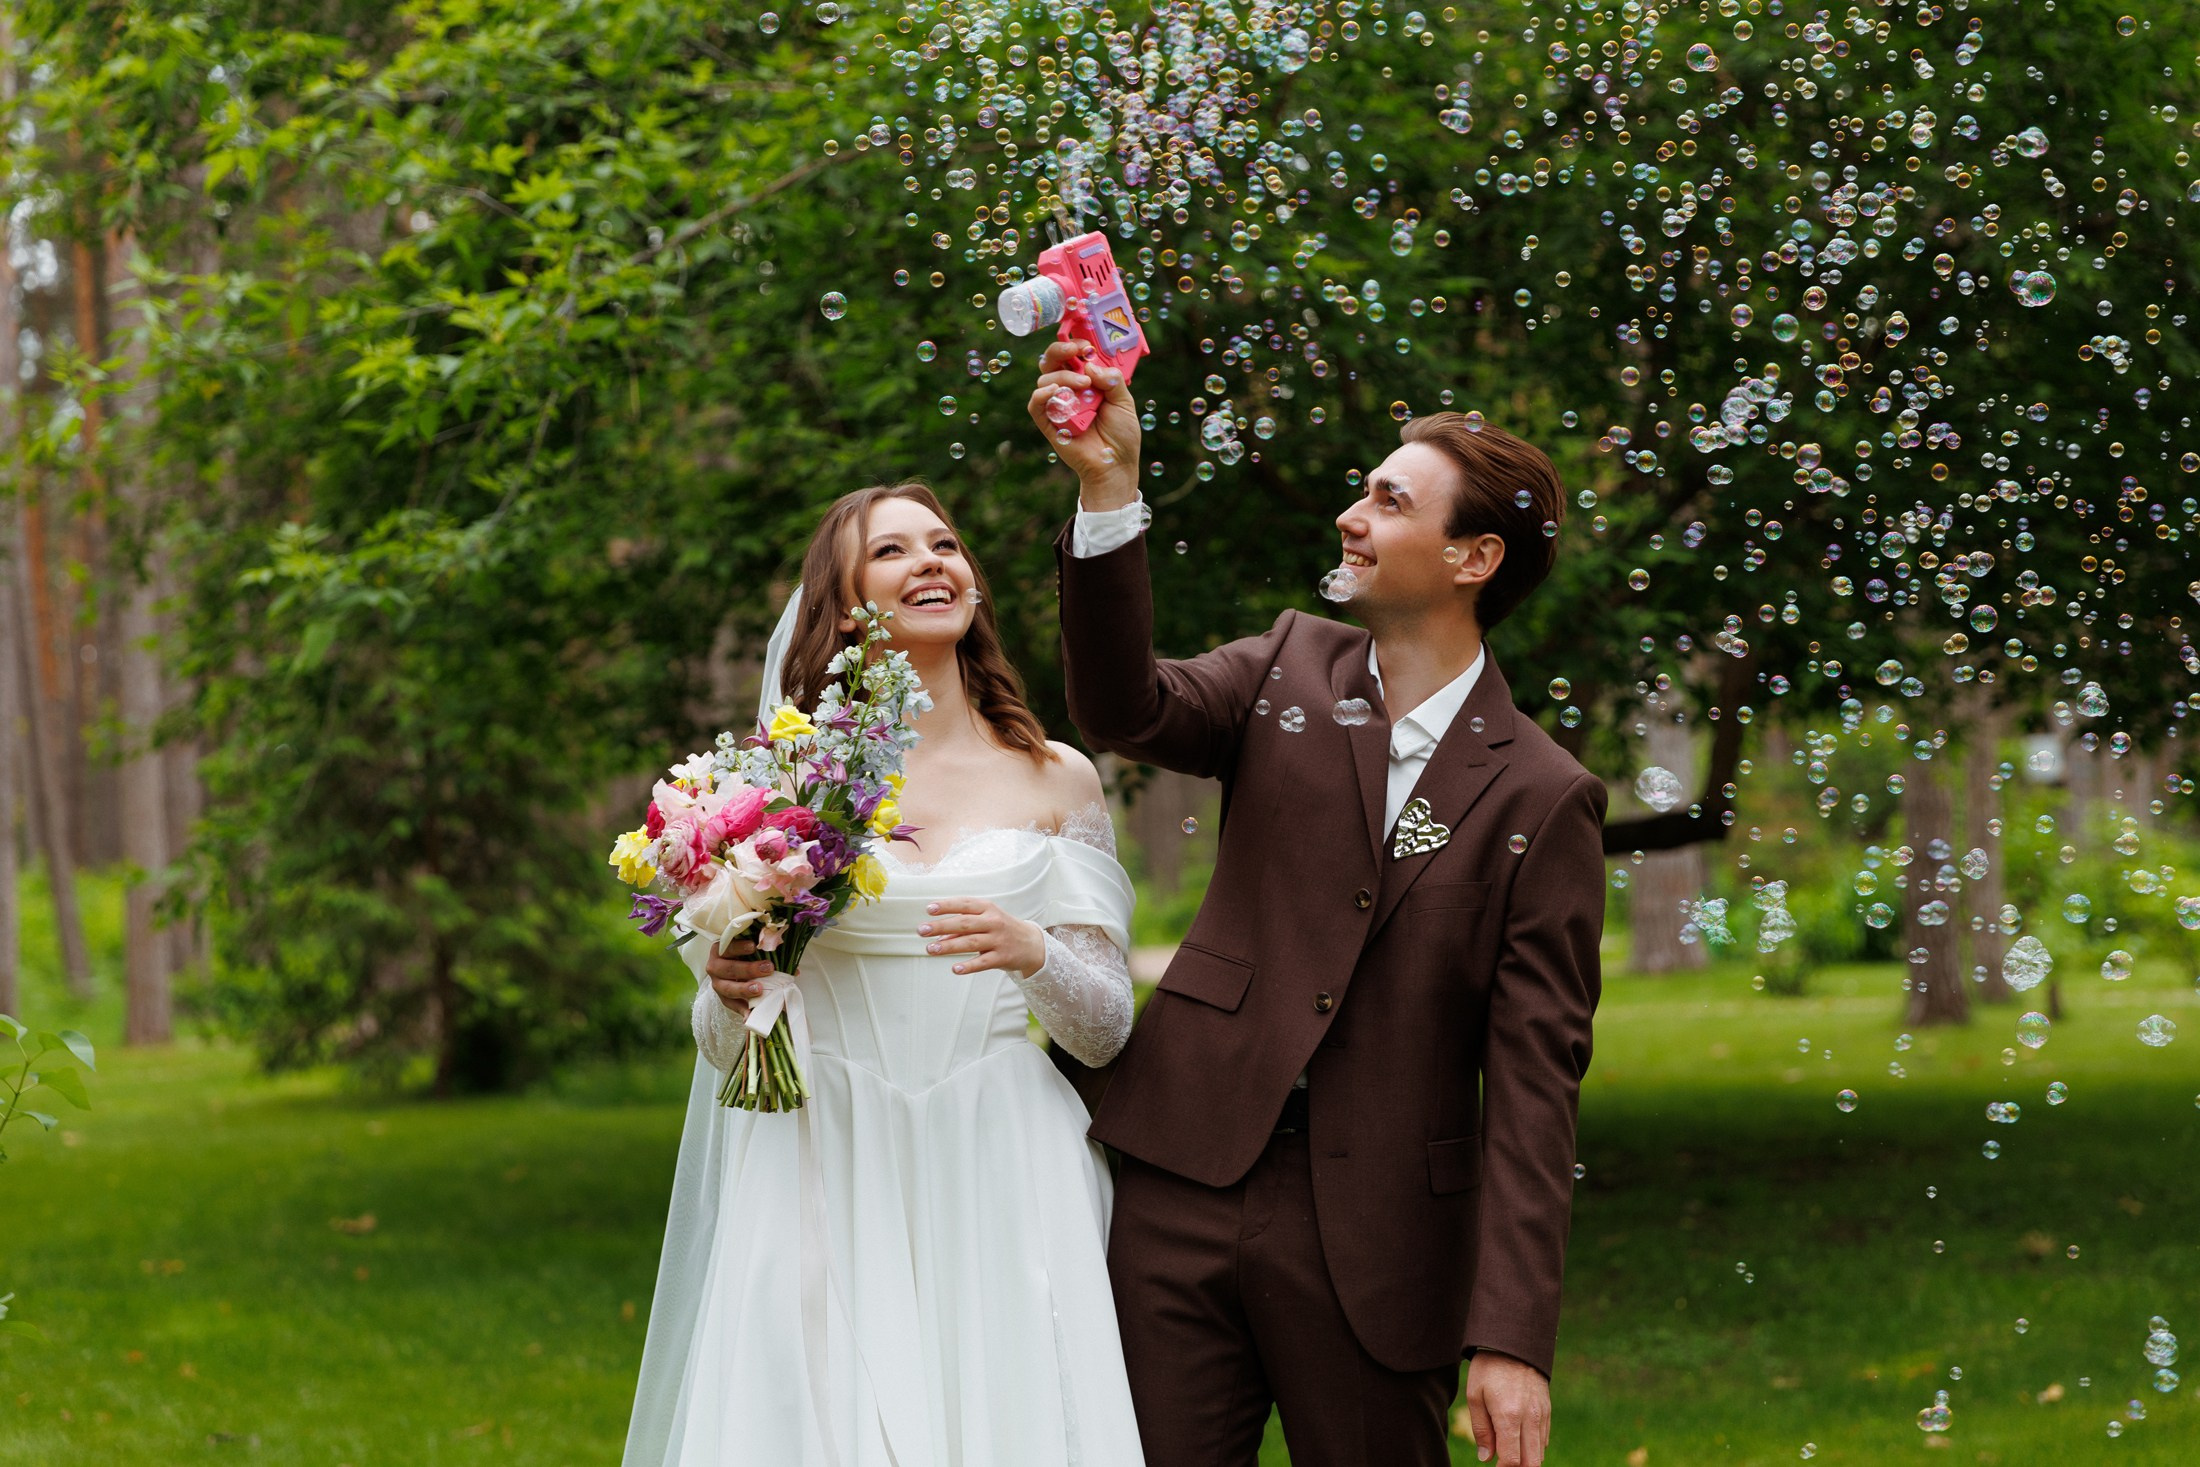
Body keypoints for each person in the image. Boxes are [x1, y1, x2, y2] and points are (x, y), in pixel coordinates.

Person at [1029, 343, 1606, 1467]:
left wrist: (1511, 1339)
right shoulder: (1285, 667)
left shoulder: (1544, 796)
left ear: (1472, 556)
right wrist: (1107, 491)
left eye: (1389, 500)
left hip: (1383, 1240)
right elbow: (1122, 705)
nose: (1351, 515)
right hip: (1181, 1181)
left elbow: (1537, 1086)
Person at [622, 482, 1147, 1467]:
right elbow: (725, 1039)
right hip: (825, 1145)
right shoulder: (787, 784)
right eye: (893, 552)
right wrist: (730, 989)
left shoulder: (1059, 778)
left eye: (945, 544)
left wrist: (1033, 955)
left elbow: (1106, 1027)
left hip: (1000, 1149)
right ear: (844, 600)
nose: (931, 564)